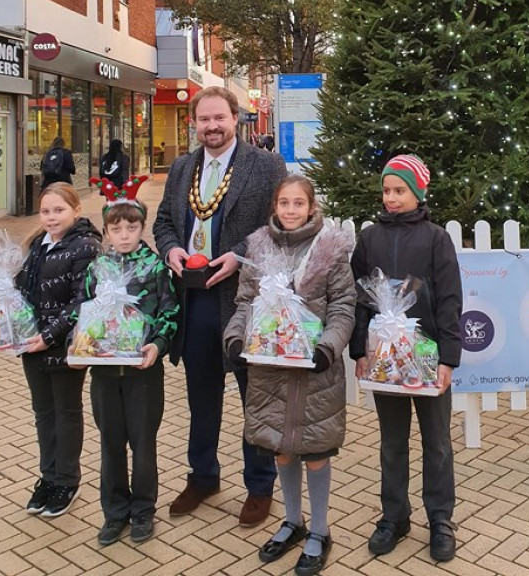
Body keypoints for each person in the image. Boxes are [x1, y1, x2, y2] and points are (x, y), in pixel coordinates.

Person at [153, 86, 287, 524]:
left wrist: (239, 256)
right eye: (203, 119)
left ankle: (260, 483)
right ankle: (203, 475)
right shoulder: (180, 168)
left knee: (255, 394)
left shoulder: (266, 166)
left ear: (236, 119)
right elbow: (164, 222)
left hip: (245, 298)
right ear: (195, 123)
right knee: (202, 394)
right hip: (195, 298)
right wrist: (171, 248)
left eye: (219, 118)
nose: (211, 126)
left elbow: (279, 224)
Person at [224, 176, 355, 575]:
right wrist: (234, 337)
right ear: (275, 206)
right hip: (270, 370)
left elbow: (343, 306)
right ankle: (292, 521)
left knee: (315, 449)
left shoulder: (330, 249)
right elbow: (245, 301)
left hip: (316, 370)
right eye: (284, 203)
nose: (291, 210)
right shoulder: (259, 246)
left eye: (299, 203)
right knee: (281, 446)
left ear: (312, 207)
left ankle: (319, 529)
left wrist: (328, 347)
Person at [350, 155, 463, 563]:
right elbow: (361, 300)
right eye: (386, 190)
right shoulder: (369, 239)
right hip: (385, 360)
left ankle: (440, 519)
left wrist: (449, 357)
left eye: (400, 190)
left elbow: (451, 300)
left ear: (418, 192)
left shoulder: (436, 239)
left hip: (427, 358)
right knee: (392, 442)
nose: (391, 198)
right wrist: (360, 349)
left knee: (437, 443)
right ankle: (394, 516)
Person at [84, 183, 179, 547]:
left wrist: (158, 344)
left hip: (143, 372)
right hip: (105, 372)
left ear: (142, 228)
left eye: (132, 228)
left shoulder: (154, 266)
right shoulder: (98, 268)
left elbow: (169, 311)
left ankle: (143, 510)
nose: (124, 235)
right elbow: (84, 313)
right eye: (116, 229)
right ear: (106, 231)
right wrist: (83, 346)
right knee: (110, 442)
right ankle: (114, 512)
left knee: (143, 443)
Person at [15, 183, 102, 519]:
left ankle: (67, 479)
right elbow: (26, 291)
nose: (51, 217)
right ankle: (48, 476)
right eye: (46, 211)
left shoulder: (86, 246)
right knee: (43, 413)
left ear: (76, 210)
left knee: (66, 413)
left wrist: (49, 336)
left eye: (59, 210)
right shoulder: (37, 244)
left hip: (63, 347)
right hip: (32, 344)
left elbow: (84, 301)